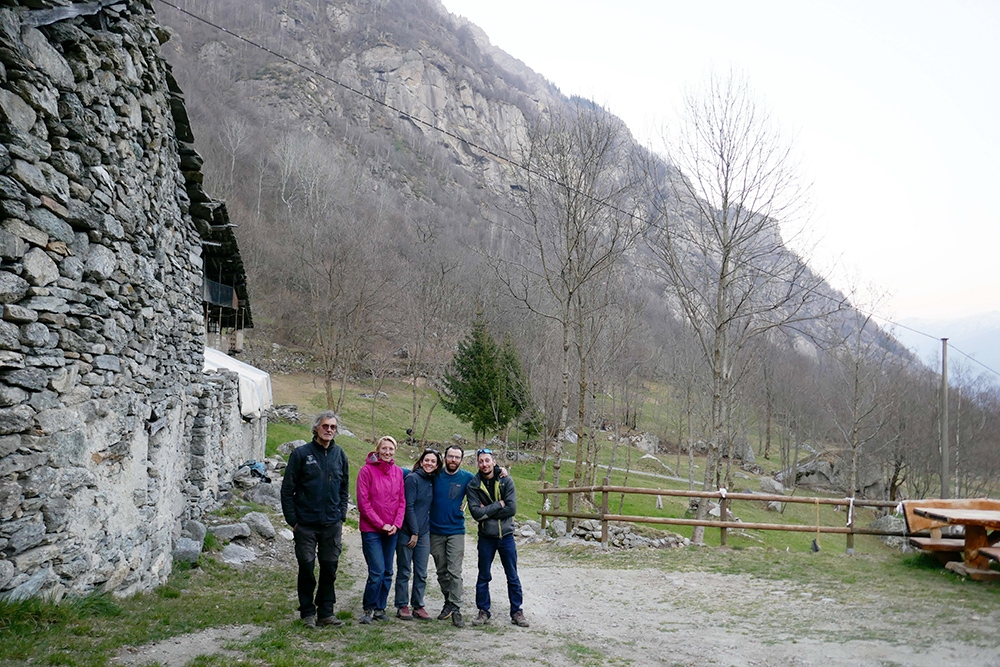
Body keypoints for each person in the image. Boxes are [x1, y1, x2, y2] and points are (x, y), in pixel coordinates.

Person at [280, 411, 349, 629]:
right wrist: (293, 521)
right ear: (316, 428)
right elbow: (287, 489)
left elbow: (345, 487)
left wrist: (342, 514)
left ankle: (326, 612)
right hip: (306, 524)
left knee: (329, 569)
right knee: (307, 568)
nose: (329, 430)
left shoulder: (340, 455)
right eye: (325, 426)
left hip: (331, 524)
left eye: (333, 427)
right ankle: (307, 612)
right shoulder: (301, 454)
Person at [466, 448, 529, 628]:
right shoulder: (473, 485)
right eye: (481, 461)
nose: (484, 464)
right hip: (486, 537)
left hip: (506, 536)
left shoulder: (505, 480)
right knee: (484, 575)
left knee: (512, 575)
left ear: (494, 461)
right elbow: (476, 514)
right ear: (478, 463)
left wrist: (487, 510)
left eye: (487, 460)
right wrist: (498, 505)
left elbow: (511, 509)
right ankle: (483, 611)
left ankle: (517, 611)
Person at [356, 435, 406, 624]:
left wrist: (396, 524)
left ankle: (380, 608)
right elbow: (363, 503)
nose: (387, 452)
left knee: (387, 571)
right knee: (377, 571)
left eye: (391, 449)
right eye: (384, 448)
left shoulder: (398, 472)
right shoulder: (366, 471)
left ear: (395, 451)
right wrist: (380, 524)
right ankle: (368, 608)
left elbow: (402, 500)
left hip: (392, 530)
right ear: (378, 450)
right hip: (372, 530)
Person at [429, 444, 475, 628]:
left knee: (455, 571)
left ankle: (456, 609)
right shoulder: (435, 474)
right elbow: (414, 473)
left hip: (456, 530)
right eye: (450, 456)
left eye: (457, 457)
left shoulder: (467, 478)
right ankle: (448, 601)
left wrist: (500, 470)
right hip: (435, 530)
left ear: (461, 460)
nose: (453, 460)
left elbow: (486, 478)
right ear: (445, 457)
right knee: (441, 571)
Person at [393, 448, 442, 620]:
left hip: (423, 533)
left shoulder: (433, 480)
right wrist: (414, 531)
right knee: (404, 570)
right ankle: (402, 605)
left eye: (433, 462)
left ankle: (418, 605)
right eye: (426, 460)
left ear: (437, 466)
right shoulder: (412, 479)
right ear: (421, 462)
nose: (429, 463)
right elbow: (408, 506)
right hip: (408, 532)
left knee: (421, 572)